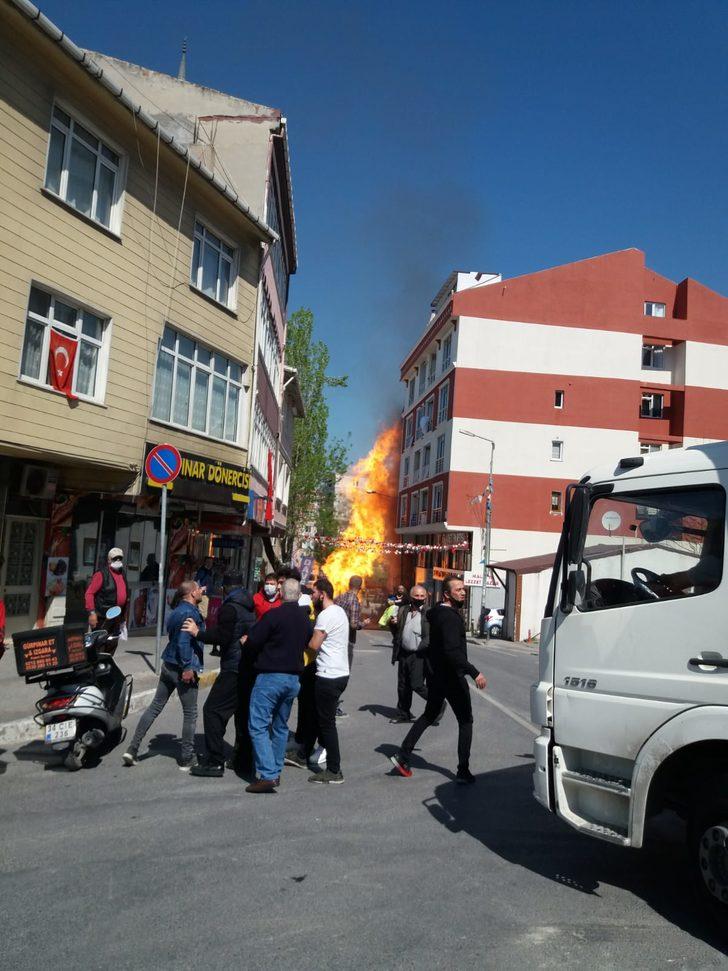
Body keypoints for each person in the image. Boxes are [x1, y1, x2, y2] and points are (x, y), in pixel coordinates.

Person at [389, 577, 487, 785]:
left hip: (436, 676)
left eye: (463, 589)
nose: (463, 592)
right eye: (458, 590)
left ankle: (403, 755)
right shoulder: (450, 618)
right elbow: (452, 651)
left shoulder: (435, 613)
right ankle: (463, 771)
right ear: (447, 595)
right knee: (466, 721)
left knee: (429, 715)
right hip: (452, 678)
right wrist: (474, 672)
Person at [122, 580, 205, 770]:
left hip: (168, 664)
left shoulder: (176, 611)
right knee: (190, 713)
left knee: (154, 707)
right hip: (182, 668)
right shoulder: (190, 613)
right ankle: (187, 757)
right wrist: (187, 667)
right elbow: (183, 641)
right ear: (192, 593)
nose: (201, 591)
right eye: (198, 588)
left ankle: (132, 748)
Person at [180, 572, 256, 777]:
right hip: (247, 667)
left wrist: (198, 633)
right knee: (242, 715)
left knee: (213, 711)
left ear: (225, 588)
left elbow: (223, 637)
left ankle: (215, 760)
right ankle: (242, 760)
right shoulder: (248, 604)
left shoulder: (230, 608)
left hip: (234, 667)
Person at [244, 578, 312, 793]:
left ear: (281, 593)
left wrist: (247, 645)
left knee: (258, 725)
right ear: (299, 595)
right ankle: (275, 770)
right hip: (293, 679)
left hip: (271, 677)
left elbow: (254, 640)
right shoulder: (304, 620)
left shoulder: (273, 616)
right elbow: (308, 643)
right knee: (280, 726)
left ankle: (268, 774)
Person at [301, 577, 350, 785]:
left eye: (313, 593)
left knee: (327, 724)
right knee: (319, 716)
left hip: (328, 674)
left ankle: (334, 770)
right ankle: (304, 751)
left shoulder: (326, 615)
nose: (312, 597)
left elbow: (314, 644)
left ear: (322, 594)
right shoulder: (339, 611)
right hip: (341, 673)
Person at [390, 584, 431, 723]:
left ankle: (437, 703)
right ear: (411, 597)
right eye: (416, 596)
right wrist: (393, 624)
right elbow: (397, 631)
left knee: (417, 684)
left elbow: (431, 635)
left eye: (422, 596)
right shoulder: (403, 610)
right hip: (404, 653)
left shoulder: (429, 613)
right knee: (403, 685)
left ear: (426, 597)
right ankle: (403, 714)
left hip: (419, 655)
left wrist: (421, 647)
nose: (419, 598)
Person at [333, 575, 363, 717]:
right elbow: (354, 624)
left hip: (336, 638)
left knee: (334, 671)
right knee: (344, 673)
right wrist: (363, 624)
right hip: (347, 640)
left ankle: (331, 702)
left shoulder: (340, 597)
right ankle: (334, 705)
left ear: (349, 584)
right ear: (360, 587)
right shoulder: (354, 601)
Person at [84, 547, 128, 631]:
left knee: (114, 639)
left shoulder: (122, 573)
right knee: (101, 639)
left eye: (120, 558)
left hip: (117, 617)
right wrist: (92, 613)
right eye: (115, 558)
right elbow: (89, 594)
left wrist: (124, 614)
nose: (118, 560)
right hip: (103, 618)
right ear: (109, 560)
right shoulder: (101, 574)